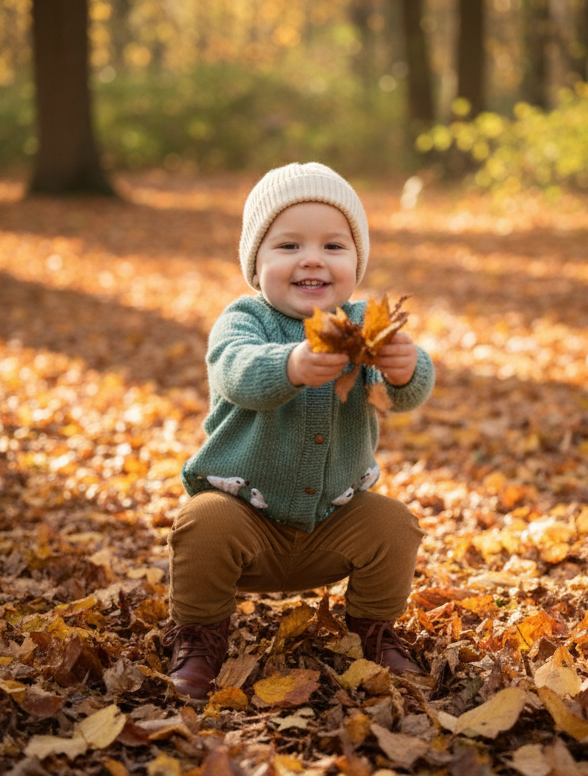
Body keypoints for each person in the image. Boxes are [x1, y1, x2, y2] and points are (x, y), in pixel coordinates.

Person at [162, 162, 435, 699]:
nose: (312, 258)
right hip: (246, 520)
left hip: (332, 521)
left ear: (356, 261)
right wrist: (289, 365)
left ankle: (373, 632)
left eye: (333, 246)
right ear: (255, 262)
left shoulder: (361, 321)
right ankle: (198, 633)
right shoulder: (245, 320)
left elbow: (402, 393)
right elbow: (234, 370)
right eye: (288, 246)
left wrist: (407, 367)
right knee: (201, 522)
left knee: (394, 525)